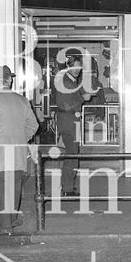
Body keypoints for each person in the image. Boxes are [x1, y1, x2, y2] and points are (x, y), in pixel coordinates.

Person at [0, 65, 38, 234]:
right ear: (10, 80)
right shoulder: (22, 100)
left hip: (0, 152)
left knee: (3, 188)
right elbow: (34, 125)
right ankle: (12, 219)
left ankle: (5, 227)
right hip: (18, 152)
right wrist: (21, 138)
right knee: (15, 188)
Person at [54, 56, 91, 196]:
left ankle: (66, 186)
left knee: (71, 154)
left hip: (67, 121)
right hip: (69, 122)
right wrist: (83, 98)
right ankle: (67, 189)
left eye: (79, 67)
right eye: (75, 67)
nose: (77, 70)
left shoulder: (68, 80)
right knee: (72, 156)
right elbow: (66, 104)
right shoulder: (66, 81)